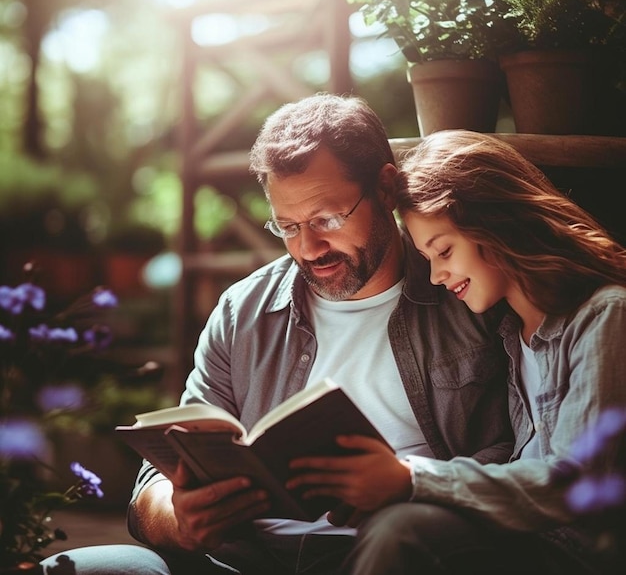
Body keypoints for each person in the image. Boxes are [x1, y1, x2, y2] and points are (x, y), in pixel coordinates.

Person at [41, 95, 512, 575]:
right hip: (244, 559)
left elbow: (525, 466)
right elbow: (153, 487)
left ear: (386, 189)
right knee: (87, 567)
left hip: (389, 551)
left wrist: (407, 488)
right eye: (286, 226)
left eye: (327, 220)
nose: (308, 248)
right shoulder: (242, 311)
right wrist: (178, 516)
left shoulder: (468, 292)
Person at [313, 130, 625, 575]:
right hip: (522, 538)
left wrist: (412, 479)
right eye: (426, 257)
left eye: (443, 251)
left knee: (404, 532)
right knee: (387, 527)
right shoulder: (509, 338)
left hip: (581, 553)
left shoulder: (605, 317)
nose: (437, 275)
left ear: (496, 226)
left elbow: (578, 484)